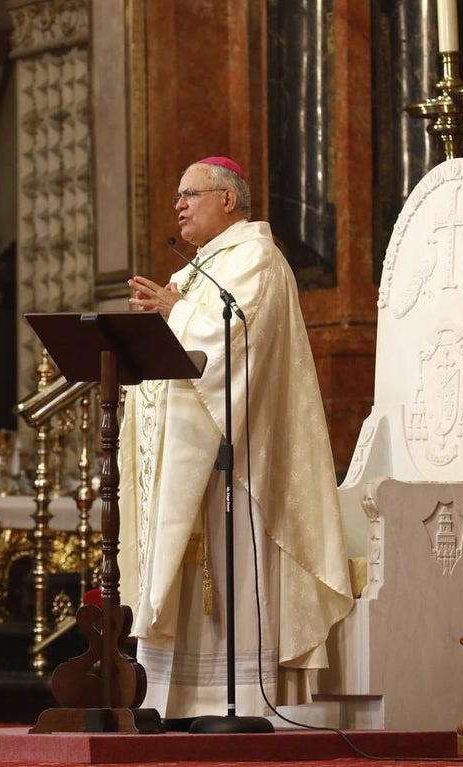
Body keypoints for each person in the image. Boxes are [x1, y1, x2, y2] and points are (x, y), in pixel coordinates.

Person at [118, 156, 353, 725]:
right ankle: (172, 697)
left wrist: (174, 311)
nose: (178, 204)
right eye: (178, 194)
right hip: (186, 454)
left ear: (228, 199)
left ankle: (239, 698)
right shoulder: (199, 267)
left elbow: (232, 342)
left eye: (189, 193)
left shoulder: (256, 259)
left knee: (230, 566)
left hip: (237, 457)